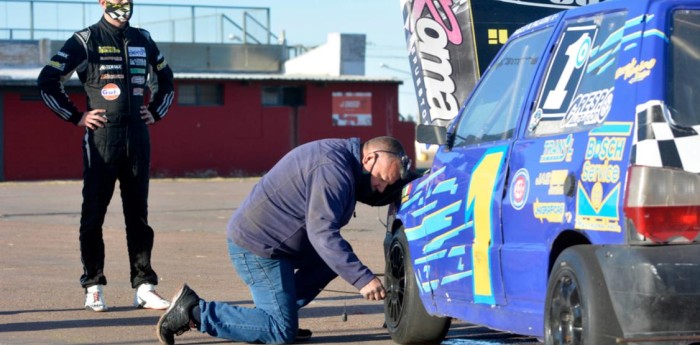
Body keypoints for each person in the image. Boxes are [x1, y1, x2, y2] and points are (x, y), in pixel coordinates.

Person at [156, 136, 413, 344]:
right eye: (381, 179)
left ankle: (272, 318)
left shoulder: (347, 162)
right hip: (259, 249)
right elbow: (322, 232)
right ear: (369, 158)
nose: (380, 188)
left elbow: (370, 193)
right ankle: (194, 312)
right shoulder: (332, 169)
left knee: (331, 261)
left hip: (279, 243)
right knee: (280, 332)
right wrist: (362, 279)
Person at [37, 0, 174, 312]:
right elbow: (47, 79)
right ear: (102, 2)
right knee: (94, 214)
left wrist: (155, 112)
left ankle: (144, 286)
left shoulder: (144, 38)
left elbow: (165, 79)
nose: (123, 6)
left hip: (138, 137)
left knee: (138, 215)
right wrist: (76, 117)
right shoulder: (84, 40)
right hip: (102, 137)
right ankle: (94, 286)